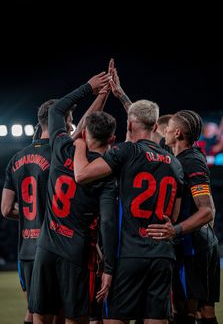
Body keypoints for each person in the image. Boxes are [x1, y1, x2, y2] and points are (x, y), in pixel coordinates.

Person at [74, 99, 184, 324]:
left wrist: (79, 145)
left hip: (130, 254)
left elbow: (82, 175)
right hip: (162, 254)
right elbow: (173, 217)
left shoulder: (126, 151)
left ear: (130, 126)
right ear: (155, 127)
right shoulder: (175, 163)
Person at [29, 71, 117, 324]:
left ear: (83, 132)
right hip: (78, 253)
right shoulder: (107, 172)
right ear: (111, 139)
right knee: (75, 318)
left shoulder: (62, 148)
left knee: (41, 316)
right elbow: (109, 224)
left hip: (46, 247)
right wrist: (109, 267)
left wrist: (89, 87)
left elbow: (57, 109)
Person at [146, 110, 220, 324]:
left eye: (168, 128)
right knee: (194, 310)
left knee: (192, 311)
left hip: (195, 246)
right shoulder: (175, 153)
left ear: (177, 133)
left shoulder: (192, 163)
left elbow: (207, 210)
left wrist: (175, 230)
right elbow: (146, 124)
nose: (164, 131)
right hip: (192, 243)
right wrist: (122, 96)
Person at [1, 98, 57, 324]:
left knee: (33, 310)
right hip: (53, 245)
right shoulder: (59, 153)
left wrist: (27, 214)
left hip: (26, 248)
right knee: (55, 313)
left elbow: (5, 209)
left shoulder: (16, 158)